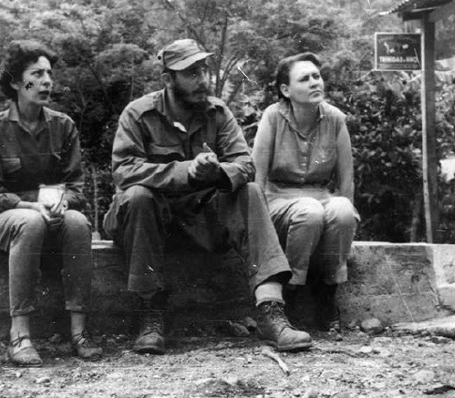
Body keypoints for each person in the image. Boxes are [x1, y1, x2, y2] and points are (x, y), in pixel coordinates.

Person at [103, 38, 312, 354]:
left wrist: (217, 173)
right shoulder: (139, 114)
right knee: (138, 197)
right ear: (168, 79)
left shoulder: (218, 112)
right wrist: (186, 171)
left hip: (201, 224)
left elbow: (245, 163)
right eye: (190, 73)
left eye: (203, 69)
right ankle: (150, 313)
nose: (201, 79)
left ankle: (270, 310)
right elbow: (124, 171)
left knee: (250, 192)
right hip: (150, 224)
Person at [0, 40, 102, 367]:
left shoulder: (63, 126)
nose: (47, 81)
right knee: (30, 222)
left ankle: (80, 331)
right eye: (36, 74)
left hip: (52, 217)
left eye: (49, 73)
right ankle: (20, 335)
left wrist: (59, 202)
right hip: (4, 220)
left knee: (78, 222)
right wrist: (32, 207)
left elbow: (76, 189)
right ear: (17, 82)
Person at [251, 52, 359, 334]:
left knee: (344, 210)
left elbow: (346, 181)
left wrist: (345, 218)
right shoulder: (273, 117)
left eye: (316, 76)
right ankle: (294, 294)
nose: (314, 83)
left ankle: (327, 295)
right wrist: (260, 229)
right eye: (305, 78)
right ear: (286, 90)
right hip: (278, 200)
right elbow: (257, 178)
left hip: (320, 197)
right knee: (309, 211)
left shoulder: (335, 119)